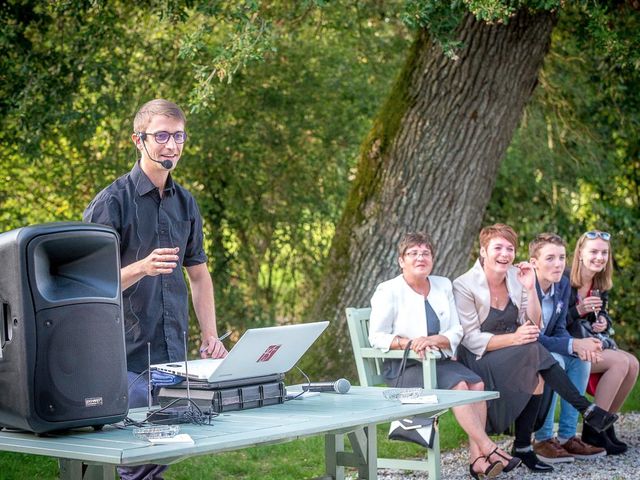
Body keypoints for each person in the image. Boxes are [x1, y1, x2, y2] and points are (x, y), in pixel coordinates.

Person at [84, 99, 227, 480]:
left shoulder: (186, 203)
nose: (171, 145)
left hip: (172, 352)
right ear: (138, 139)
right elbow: (89, 286)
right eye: (161, 135)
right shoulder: (110, 203)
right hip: (123, 354)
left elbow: (198, 274)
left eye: (178, 136)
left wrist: (210, 334)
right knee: (133, 450)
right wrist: (142, 268)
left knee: (172, 440)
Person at [453, 224, 617, 473]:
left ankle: (524, 448)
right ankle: (584, 410)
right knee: (534, 352)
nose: (505, 254)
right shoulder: (464, 285)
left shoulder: (514, 278)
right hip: (478, 357)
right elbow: (470, 340)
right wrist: (516, 339)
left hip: (511, 353)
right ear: (483, 251)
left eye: (510, 248)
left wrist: (530, 288)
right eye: (498, 248)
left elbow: (534, 324)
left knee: (536, 363)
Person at [369, 232, 520, 479]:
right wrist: (411, 343)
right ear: (401, 261)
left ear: (433, 259)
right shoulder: (388, 290)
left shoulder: (442, 285)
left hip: (438, 360)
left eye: (426, 253)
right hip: (405, 367)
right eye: (413, 253)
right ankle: (488, 448)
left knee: (477, 384)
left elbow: (456, 330)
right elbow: (376, 337)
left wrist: (434, 340)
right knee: (460, 386)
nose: (420, 258)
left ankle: (477, 459)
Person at [529, 233, 606, 463]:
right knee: (558, 361)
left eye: (561, 257)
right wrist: (573, 343)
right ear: (534, 262)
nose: (558, 263)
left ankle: (567, 437)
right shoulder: (525, 287)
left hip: (549, 346)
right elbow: (533, 337)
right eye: (550, 258)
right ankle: (542, 439)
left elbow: (560, 327)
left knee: (581, 359)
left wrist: (576, 347)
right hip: (527, 351)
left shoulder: (562, 283)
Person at [567, 230, 639, 454]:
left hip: (590, 343)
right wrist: (579, 309)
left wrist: (602, 323)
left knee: (633, 363)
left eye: (604, 253)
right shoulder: (564, 282)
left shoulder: (599, 284)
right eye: (594, 252)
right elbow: (555, 321)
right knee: (619, 362)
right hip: (568, 347)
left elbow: (603, 317)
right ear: (580, 253)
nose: (599, 257)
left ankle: (605, 425)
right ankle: (593, 429)